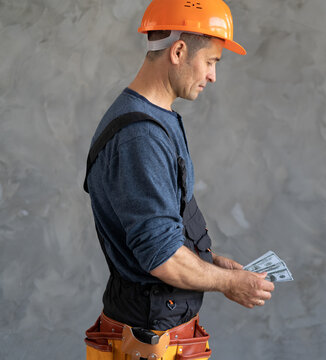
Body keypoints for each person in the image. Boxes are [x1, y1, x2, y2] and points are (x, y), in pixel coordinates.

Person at [83, 1, 274, 359]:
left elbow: (159, 229)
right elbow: (160, 256)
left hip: (164, 335)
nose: (213, 75)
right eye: (211, 61)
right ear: (179, 51)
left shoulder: (157, 119)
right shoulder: (140, 136)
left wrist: (210, 262)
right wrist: (230, 283)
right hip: (148, 343)